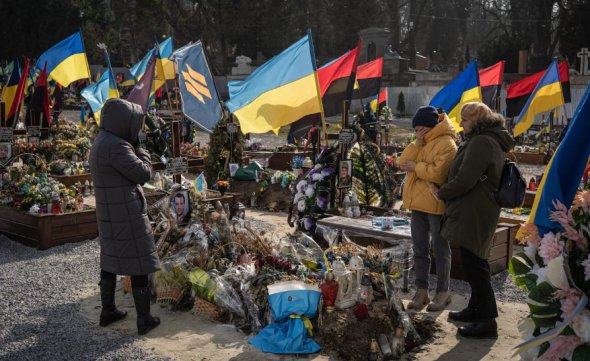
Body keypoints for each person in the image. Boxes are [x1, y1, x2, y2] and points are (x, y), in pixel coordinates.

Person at [438, 102, 515, 338]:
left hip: (475, 210)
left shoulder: (482, 141)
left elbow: (465, 180)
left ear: (477, 121)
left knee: (475, 265)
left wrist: (442, 192)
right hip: (478, 208)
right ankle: (475, 308)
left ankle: (487, 320)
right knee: (474, 259)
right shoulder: (488, 139)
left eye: (465, 120)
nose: (461, 124)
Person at [89, 98, 161, 335]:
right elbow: (144, 173)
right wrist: (142, 149)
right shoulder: (118, 146)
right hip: (126, 211)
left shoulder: (101, 141)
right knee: (139, 261)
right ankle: (144, 319)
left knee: (110, 259)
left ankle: (108, 310)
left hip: (109, 212)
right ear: (122, 121)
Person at [399, 106, 457, 312]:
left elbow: (439, 174)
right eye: (415, 130)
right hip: (417, 204)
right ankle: (421, 291)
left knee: (440, 250)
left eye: (419, 129)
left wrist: (416, 167)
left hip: (436, 205)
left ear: (429, 126)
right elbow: (401, 162)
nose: (417, 132)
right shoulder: (421, 142)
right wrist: (416, 144)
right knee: (420, 249)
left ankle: (443, 292)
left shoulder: (447, 143)